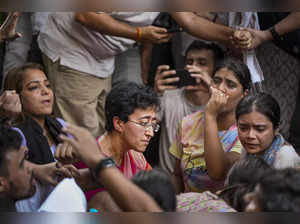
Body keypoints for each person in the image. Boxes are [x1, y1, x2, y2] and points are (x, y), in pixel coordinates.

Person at [38, 12, 172, 137]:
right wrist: (139, 33)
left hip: (103, 58)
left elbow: (189, 18)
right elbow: (85, 14)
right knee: (83, 136)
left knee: (103, 131)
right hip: (73, 54)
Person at [68, 82, 160, 211]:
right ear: (119, 123)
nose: (150, 133)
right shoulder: (87, 158)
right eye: (144, 123)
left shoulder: (136, 157)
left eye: (153, 125)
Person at [170, 58, 251, 194]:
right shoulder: (188, 122)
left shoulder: (246, 130)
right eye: (216, 81)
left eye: (230, 85)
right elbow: (177, 175)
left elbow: (218, 173)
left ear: (244, 94)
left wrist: (210, 115)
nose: (220, 89)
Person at [154, 40, 224, 174]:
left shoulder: (221, 104)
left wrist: (212, 85)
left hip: (206, 184)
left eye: (202, 63)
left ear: (215, 71)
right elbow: (146, 126)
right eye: (189, 62)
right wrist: (155, 95)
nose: (193, 68)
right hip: (169, 182)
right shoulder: (168, 96)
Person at [3, 63, 70, 165]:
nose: (46, 91)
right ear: (16, 96)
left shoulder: (61, 124)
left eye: (47, 85)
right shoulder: (16, 134)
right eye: (34, 87)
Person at [236, 92, 300, 169]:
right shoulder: (247, 149)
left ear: (276, 128)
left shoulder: (285, 156)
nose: (250, 136)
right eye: (243, 128)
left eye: (260, 129)